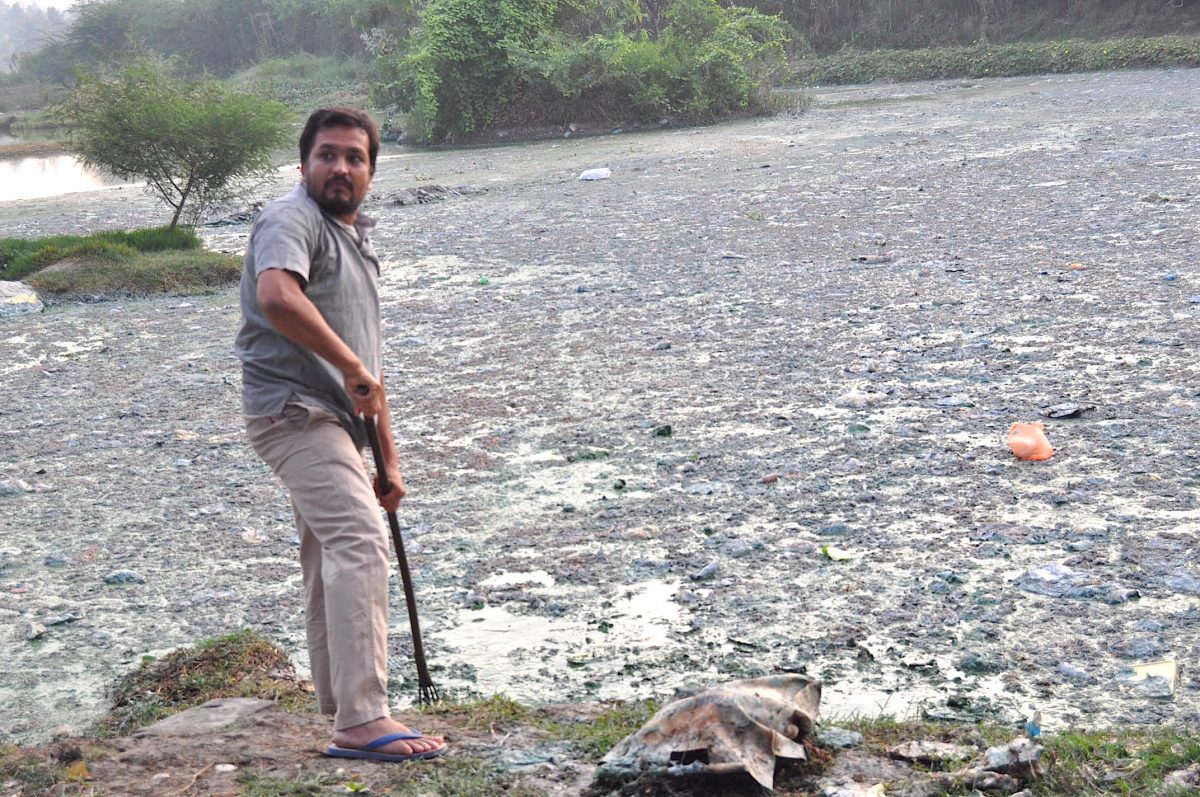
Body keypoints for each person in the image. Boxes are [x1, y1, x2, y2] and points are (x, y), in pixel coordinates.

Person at [235, 107, 446, 762]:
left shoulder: (354, 242)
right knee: (358, 539)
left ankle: (339, 704)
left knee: (330, 550)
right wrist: (352, 367)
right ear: (304, 166)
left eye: (355, 157)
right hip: (294, 411)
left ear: (371, 173)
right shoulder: (289, 219)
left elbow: (368, 371)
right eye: (327, 154)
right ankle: (362, 717)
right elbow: (277, 296)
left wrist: (389, 459)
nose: (341, 167)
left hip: (334, 420)